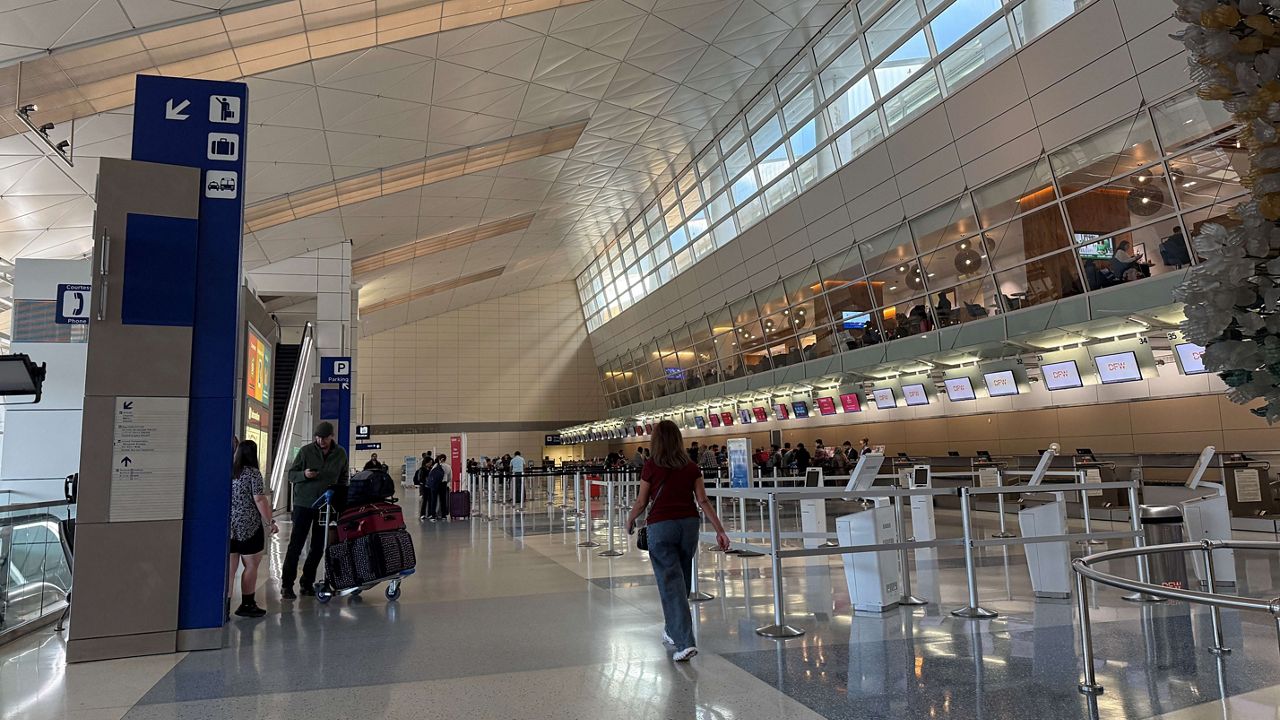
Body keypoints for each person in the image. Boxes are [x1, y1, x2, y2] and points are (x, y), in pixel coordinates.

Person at [626, 420, 731, 662]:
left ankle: (685, 642)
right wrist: (720, 530)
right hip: (688, 526)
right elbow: (703, 501)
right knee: (681, 581)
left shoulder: (651, 466)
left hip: (661, 527)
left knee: (671, 583)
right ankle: (672, 630)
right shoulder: (691, 467)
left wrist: (630, 519)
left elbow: (642, 502)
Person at [281, 422, 348, 600]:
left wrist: (340, 496)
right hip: (304, 504)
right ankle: (287, 585)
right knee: (296, 545)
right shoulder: (306, 451)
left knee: (318, 546)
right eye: (318, 437)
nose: (321, 441)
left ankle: (307, 582)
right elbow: (291, 474)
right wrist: (304, 475)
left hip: (325, 506)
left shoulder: (340, 453)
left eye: (324, 438)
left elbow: (343, 477)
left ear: (331, 436)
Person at [228, 439, 276, 618]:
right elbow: (259, 499)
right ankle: (247, 604)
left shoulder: (231, 472)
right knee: (250, 565)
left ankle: (224, 606)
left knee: (230, 569)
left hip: (230, 527)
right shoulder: (253, 474)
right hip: (249, 527)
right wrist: (270, 521)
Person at [428, 453, 449, 520]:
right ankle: (443, 515)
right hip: (443, 484)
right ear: (445, 459)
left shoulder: (435, 465)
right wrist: (446, 482)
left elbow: (431, 475)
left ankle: (433, 515)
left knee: (434, 499)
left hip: (435, 484)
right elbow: (450, 477)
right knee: (443, 500)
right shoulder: (448, 467)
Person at [413, 453, 433, 520]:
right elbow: (420, 479)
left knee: (430, 500)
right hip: (424, 487)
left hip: (430, 487)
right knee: (424, 500)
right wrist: (424, 483)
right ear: (426, 462)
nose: (431, 463)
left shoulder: (431, 469)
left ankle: (430, 514)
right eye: (430, 462)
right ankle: (422, 514)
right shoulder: (422, 470)